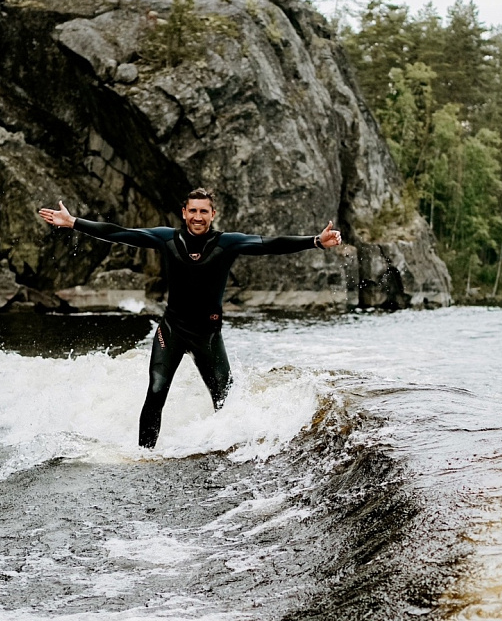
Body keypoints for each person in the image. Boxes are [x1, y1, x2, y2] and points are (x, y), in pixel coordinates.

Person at [38, 188, 343, 448]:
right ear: (184, 213)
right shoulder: (166, 239)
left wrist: (316, 241)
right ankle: (144, 456)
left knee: (226, 401)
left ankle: (228, 454)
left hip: (207, 336)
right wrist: (74, 222)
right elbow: (120, 233)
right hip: (172, 331)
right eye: (193, 211)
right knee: (156, 392)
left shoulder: (227, 243)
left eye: (204, 211)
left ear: (213, 214)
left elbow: (271, 244)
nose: (198, 217)